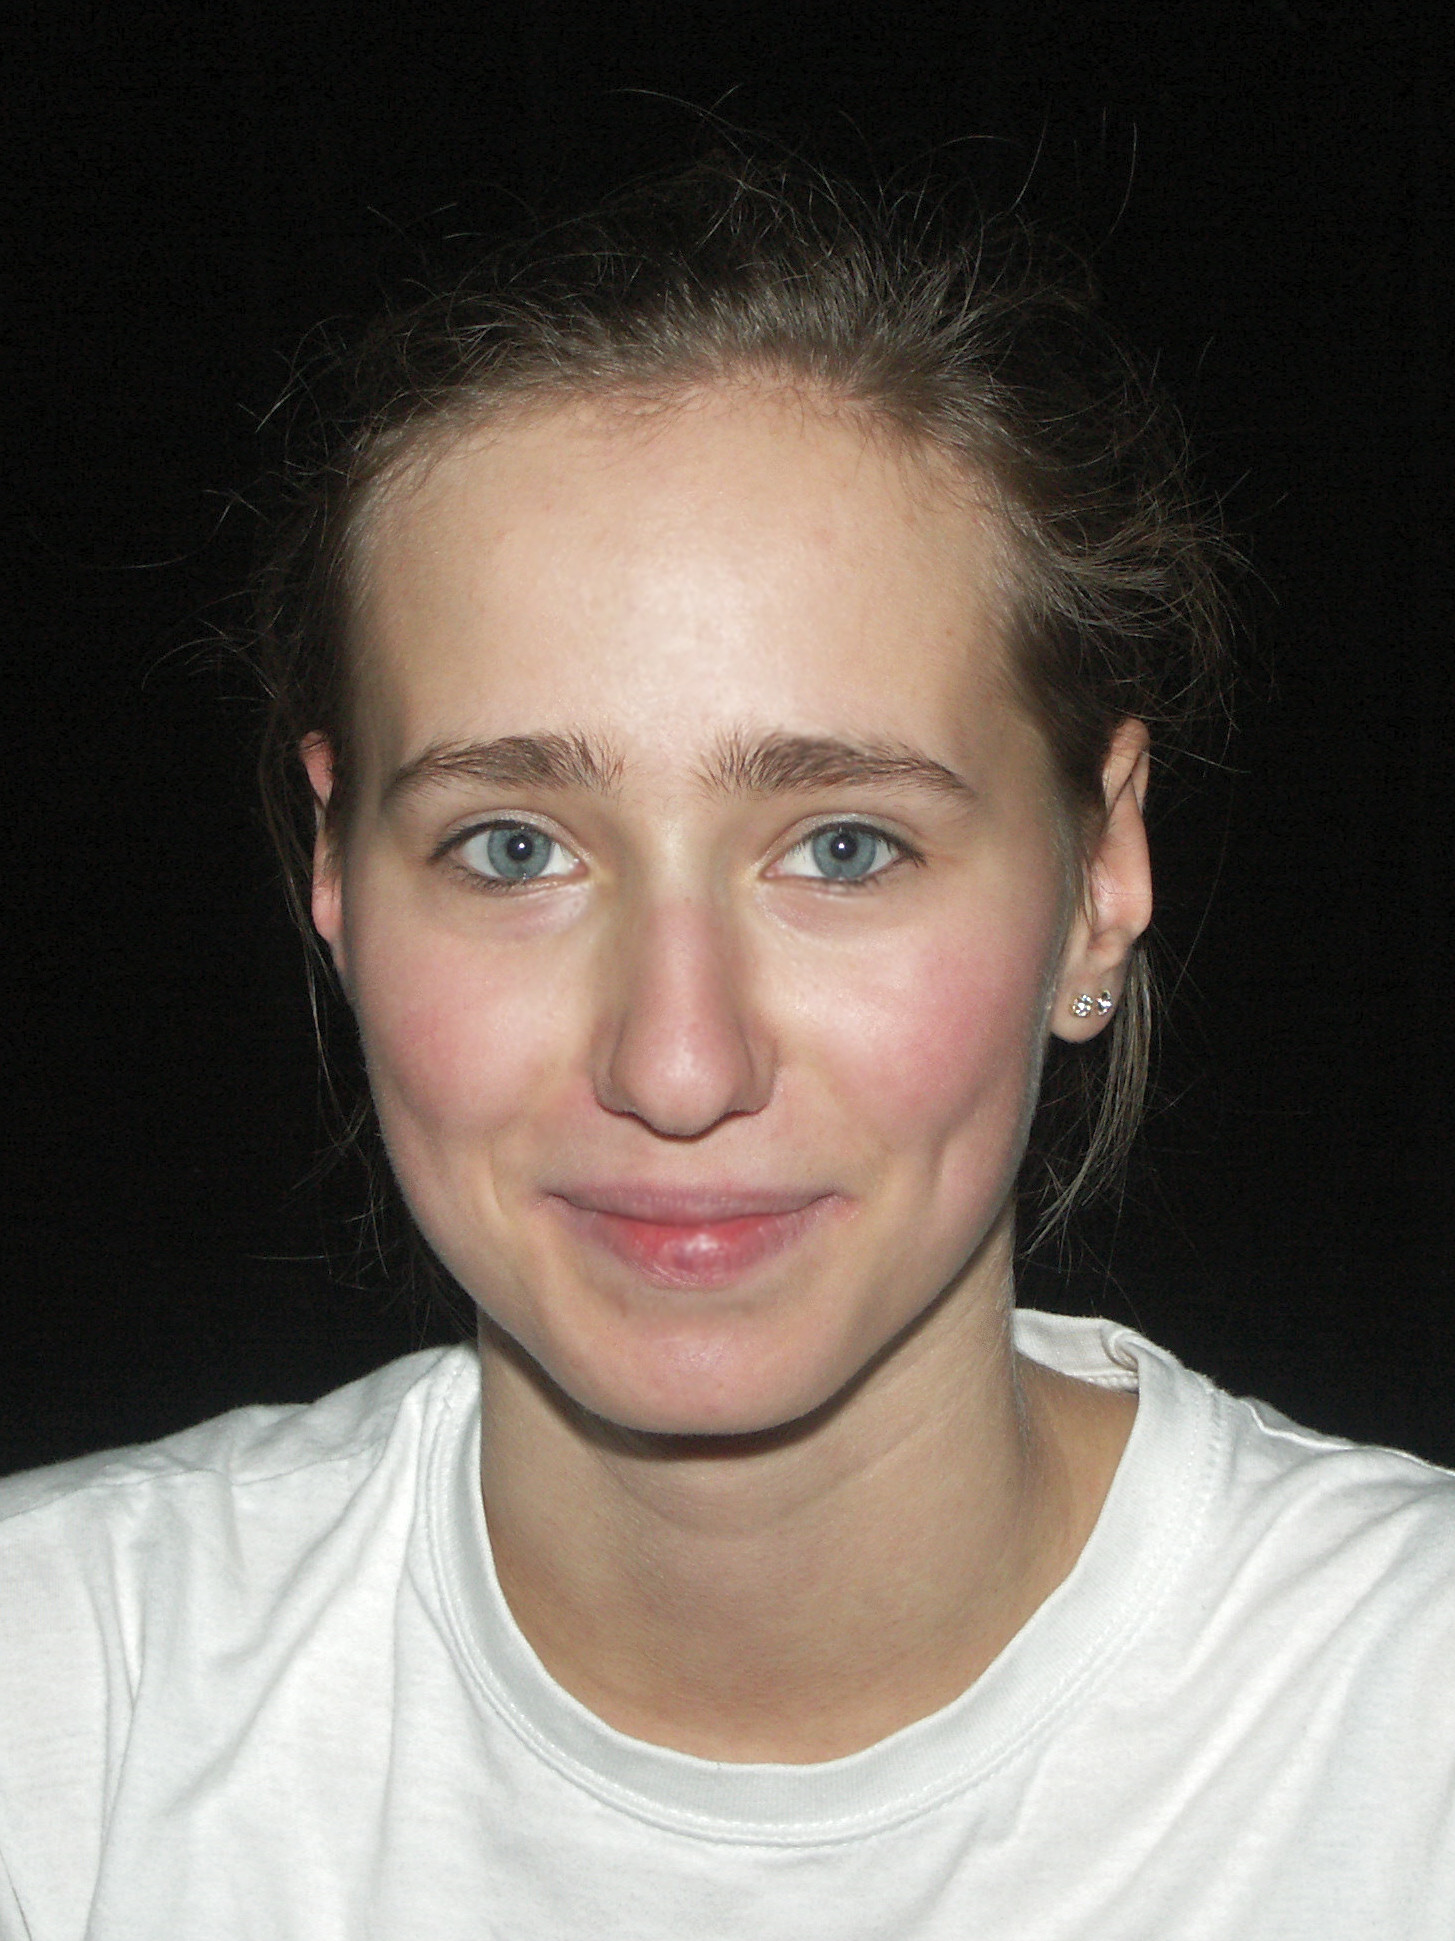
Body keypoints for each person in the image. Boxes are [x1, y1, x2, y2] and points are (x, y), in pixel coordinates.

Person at [2, 158, 1451, 1939]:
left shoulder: (1413, 1727)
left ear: (1101, 875)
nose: (679, 1066)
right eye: (513, 848)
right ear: (336, 874)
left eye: (844, 845)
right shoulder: (60, 1719)